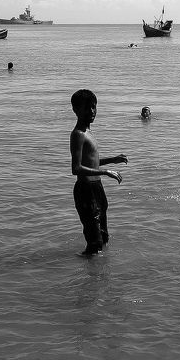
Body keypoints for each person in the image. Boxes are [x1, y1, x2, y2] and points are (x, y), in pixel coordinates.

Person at [71, 89, 128, 257]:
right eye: (87, 108)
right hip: (85, 189)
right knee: (94, 243)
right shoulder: (78, 134)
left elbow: (91, 161)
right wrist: (105, 172)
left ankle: (98, 270)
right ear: (76, 110)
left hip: (97, 188)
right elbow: (76, 168)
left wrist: (112, 159)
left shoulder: (89, 132)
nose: (92, 111)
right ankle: (87, 268)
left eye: (94, 107)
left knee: (103, 237)